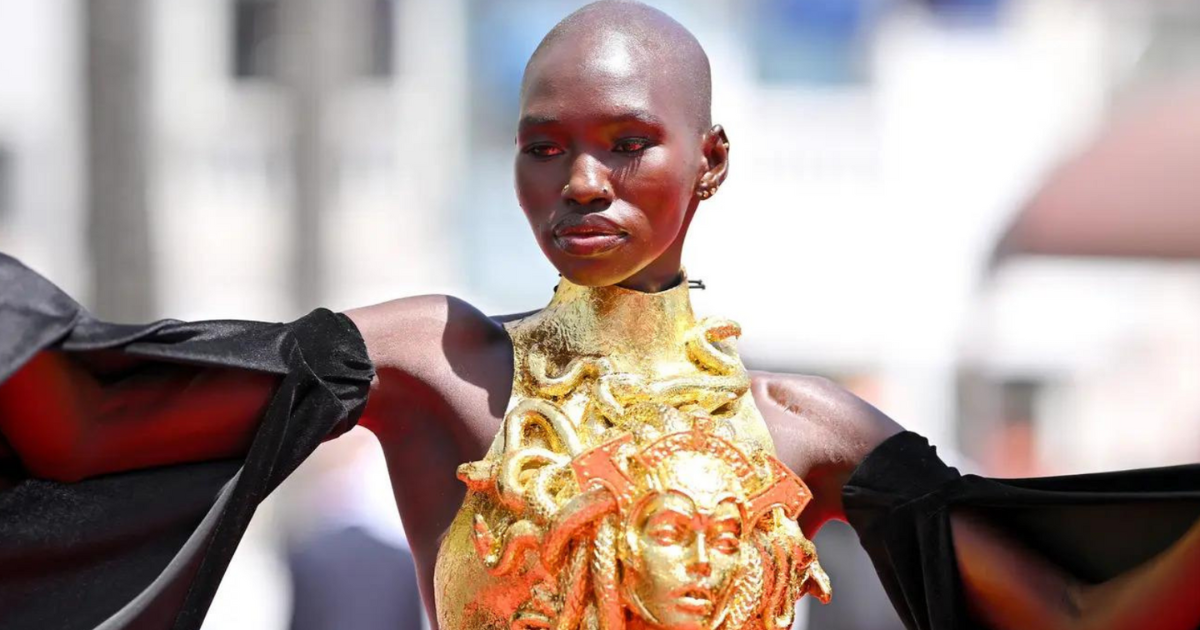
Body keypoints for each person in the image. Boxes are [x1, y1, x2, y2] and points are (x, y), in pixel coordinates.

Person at [0, 2, 1198, 629]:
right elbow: (91, 423)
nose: (582, 184)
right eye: (545, 148)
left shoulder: (807, 431)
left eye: (629, 146)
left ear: (711, 159)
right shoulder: (439, 366)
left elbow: (1082, 608)